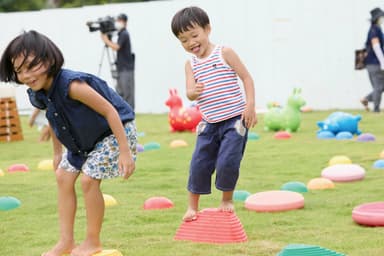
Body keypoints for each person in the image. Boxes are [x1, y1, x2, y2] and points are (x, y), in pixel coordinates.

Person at [0, 30, 137, 256]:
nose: (27, 75)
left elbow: (110, 111)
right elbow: (55, 119)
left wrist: (125, 152)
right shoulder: (39, 91)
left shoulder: (72, 85)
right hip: (81, 139)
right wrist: (57, 153)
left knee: (88, 181)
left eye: (32, 66)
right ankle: (66, 241)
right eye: (20, 70)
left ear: (50, 60)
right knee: (63, 176)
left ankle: (92, 241)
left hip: (113, 131)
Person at [171, 6, 258, 221]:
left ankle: (226, 200)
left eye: (194, 35)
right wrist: (193, 92)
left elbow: (247, 78)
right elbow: (190, 93)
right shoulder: (190, 64)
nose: (191, 43)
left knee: (228, 161)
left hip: (234, 120)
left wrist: (250, 106)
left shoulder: (224, 52)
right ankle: (192, 207)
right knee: (199, 163)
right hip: (208, 123)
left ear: (207, 29)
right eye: (183, 40)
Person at [101, 13, 135, 110]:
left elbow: (116, 47)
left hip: (126, 69)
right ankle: (122, 111)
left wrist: (106, 40)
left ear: (124, 22)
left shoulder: (124, 33)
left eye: (119, 21)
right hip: (121, 68)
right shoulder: (121, 34)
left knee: (127, 93)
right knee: (120, 92)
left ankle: (129, 111)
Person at [361, 7, 384, 113]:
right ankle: (376, 109)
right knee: (379, 86)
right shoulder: (375, 29)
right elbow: (376, 47)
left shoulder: (373, 29)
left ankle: (366, 99)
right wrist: (382, 61)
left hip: (371, 63)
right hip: (375, 63)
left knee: (379, 86)